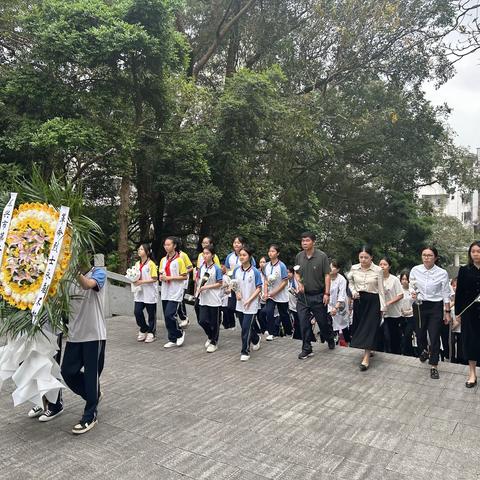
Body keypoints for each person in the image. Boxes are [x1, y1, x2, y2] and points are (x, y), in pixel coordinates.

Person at [60, 258, 107, 434]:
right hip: (74, 335)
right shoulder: (67, 278)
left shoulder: (99, 272)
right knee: (67, 372)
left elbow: (88, 285)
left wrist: (72, 270)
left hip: (94, 335)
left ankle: (90, 415)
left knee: (90, 375)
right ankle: (92, 395)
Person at [410, 246, 451, 380]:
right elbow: (412, 285)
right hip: (419, 305)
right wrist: (413, 293)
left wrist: (447, 311)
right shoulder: (415, 270)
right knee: (420, 333)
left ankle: (434, 365)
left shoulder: (442, 273)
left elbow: (445, 293)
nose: (426, 257)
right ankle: (425, 350)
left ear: (435, 257)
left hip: (435, 306)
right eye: (424, 255)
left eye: (429, 255)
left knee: (434, 336)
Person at [294, 232, 334, 359]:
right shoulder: (299, 256)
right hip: (303, 297)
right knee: (303, 322)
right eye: (302, 241)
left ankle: (330, 338)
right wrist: (299, 283)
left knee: (322, 323)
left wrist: (327, 293)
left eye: (307, 241)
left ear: (313, 242)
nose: (304, 243)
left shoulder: (322, 256)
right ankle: (307, 348)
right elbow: (297, 273)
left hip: (318, 295)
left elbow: (327, 275)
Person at [348, 245, 386, 371]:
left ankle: (366, 358)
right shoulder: (354, 268)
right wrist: (353, 291)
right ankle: (369, 350)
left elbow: (381, 289)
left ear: (371, 258)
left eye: (366, 257)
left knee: (369, 328)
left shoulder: (378, 270)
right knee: (360, 327)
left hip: (373, 301)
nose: (363, 260)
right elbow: (351, 282)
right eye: (361, 257)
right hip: (359, 301)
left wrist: (383, 307)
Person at [454, 240, 480, 387]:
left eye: (478, 251)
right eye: (473, 251)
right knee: (470, 342)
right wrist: (458, 313)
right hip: (469, 313)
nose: (475, 254)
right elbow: (460, 293)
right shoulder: (464, 270)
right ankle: (472, 374)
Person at [232, 246, 262, 361]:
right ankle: (255, 339)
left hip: (251, 304)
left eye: (244, 255)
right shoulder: (236, 270)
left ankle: (245, 351)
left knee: (245, 328)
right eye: (240, 255)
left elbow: (259, 288)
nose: (242, 257)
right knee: (246, 327)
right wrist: (237, 293)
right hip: (240, 304)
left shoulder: (255, 271)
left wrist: (249, 300)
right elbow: (234, 285)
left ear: (249, 256)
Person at [159, 237, 188, 348]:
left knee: (170, 314)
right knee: (166, 317)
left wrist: (169, 278)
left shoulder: (179, 260)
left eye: (169, 244)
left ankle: (179, 333)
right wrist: (161, 277)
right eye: (165, 245)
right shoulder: (163, 260)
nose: (166, 247)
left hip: (176, 291)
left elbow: (184, 276)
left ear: (174, 246)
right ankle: (172, 338)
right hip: (166, 290)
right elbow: (161, 273)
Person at [196, 246, 223, 353]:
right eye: (204, 253)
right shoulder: (202, 267)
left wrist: (206, 287)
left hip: (214, 299)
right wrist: (197, 291)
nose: (205, 256)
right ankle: (210, 336)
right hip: (203, 298)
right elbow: (198, 280)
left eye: (207, 253)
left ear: (212, 255)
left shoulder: (216, 268)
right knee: (202, 320)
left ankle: (214, 342)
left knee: (214, 322)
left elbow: (220, 283)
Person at [133, 243, 159, 343]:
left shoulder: (151, 264)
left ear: (147, 252)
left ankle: (152, 332)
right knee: (137, 312)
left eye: (142, 249)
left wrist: (141, 282)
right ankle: (144, 328)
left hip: (149, 292)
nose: (139, 251)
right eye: (139, 249)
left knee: (151, 314)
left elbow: (154, 278)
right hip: (139, 292)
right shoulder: (137, 264)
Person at [264, 245, 290, 341]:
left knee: (284, 314)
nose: (270, 253)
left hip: (281, 294)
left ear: (277, 253)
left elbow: (285, 281)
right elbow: (266, 280)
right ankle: (272, 333)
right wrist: (266, 292)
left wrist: (275, 292)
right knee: (269, 311)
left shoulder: (282, 266)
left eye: (273, 251)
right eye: (269, 251)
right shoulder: (266, 265)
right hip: (271, 295)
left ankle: (289, 331)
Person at [379, 257, 403, 355]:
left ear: (389, 266)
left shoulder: (394, 279)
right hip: (381, 312)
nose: (382, 266)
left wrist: (389, 303)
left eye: (384, 264)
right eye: (380, 264)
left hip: (393, 313)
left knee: (394, 336)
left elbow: (400, 295)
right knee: (383, 335)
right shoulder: (377, 279)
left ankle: (395, 354)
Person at [328, 260, 350, 346]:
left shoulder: (342, 279)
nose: (331, 268)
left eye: (333, 267)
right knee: (330, 323)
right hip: (329, 304)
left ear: (338, 269)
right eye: (330, 266)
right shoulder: (326, 277)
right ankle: (333, 342)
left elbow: (341, 295)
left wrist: (336, 308)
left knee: (343, 324)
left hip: (340, 306)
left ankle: (348, 343)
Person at [399, 271, 416, 357]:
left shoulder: (412, 290)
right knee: (402, 335)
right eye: (403, 279)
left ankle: (409, 353)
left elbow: (415, 303)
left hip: (410, 316)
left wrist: (409, 311)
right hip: (400, 315)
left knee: (408, 334)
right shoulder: (399, 289)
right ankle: (404, 352)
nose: (404, 281)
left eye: (406, 279)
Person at [177, 241, 194, 329]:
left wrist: (182, 272)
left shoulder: (183, 255)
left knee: (180, 299)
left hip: (182, 281)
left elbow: (190, 267)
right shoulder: (169, 256)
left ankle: (184, 318)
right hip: (173, 281)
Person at [288, 267, 301, 340]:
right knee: (295, 322)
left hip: (297, 306)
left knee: (298, 322)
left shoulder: (296, 281)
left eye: (289, 272)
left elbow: (299, 292)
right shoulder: (288, 281)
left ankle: (300, 337)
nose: (287, 274)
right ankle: (297, 337)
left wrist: (295, 292)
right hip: (291, 306)